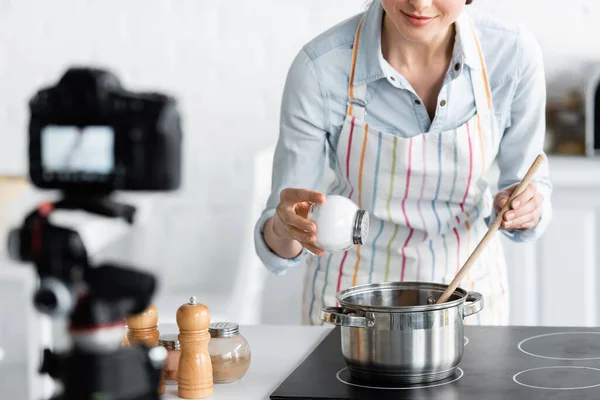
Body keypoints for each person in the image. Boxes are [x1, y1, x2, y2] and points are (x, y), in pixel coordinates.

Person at [254, 0, 552, 326]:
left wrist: (524, 208)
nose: (419, 3)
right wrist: (286, 228)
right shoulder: (320, 68)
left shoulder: (512, 56)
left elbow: (528, 189)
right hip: (351, 307)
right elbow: (282, 243)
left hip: (467, 302)